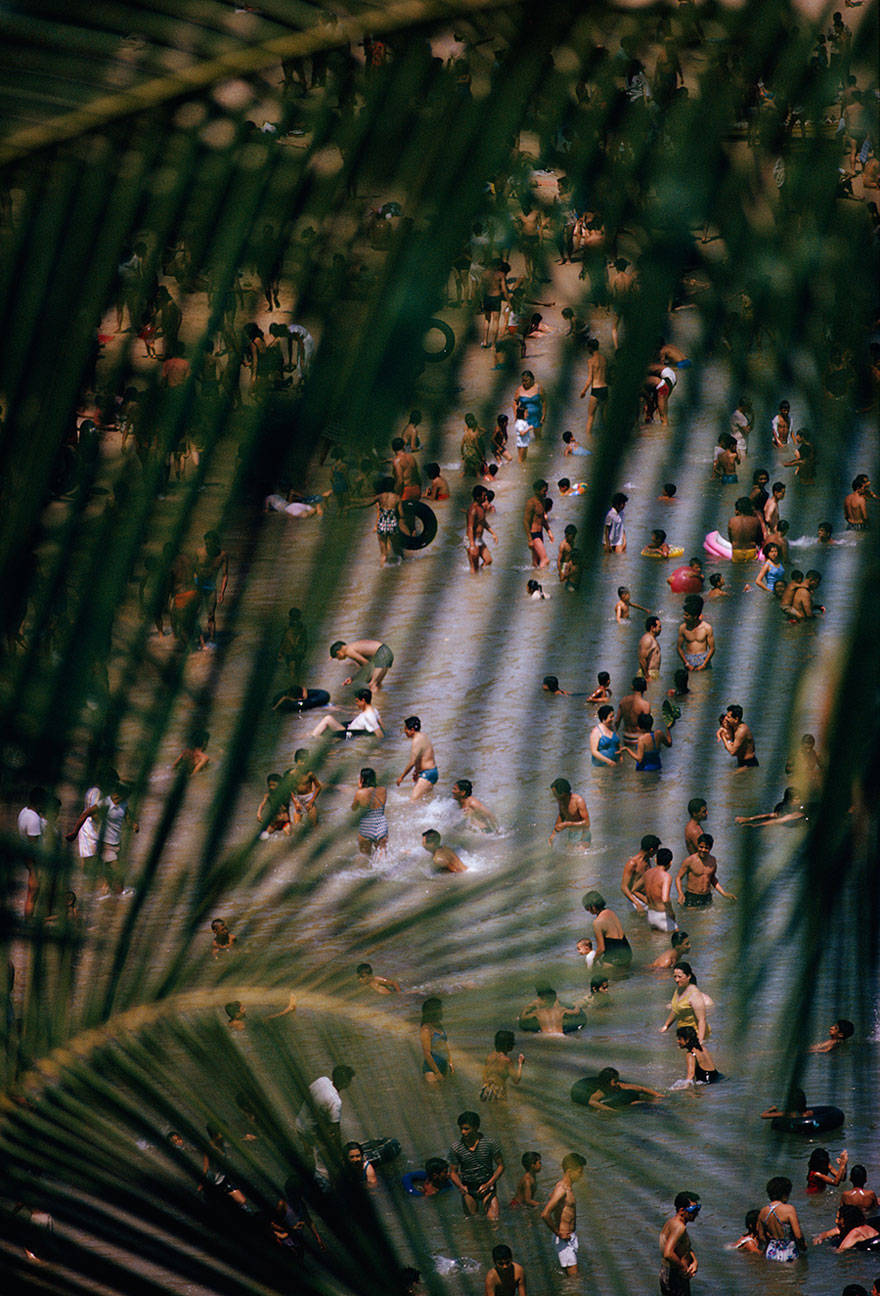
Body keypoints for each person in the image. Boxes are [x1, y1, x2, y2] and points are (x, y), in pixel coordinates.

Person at [295, 1065, 356, 1178]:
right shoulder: (335, 1102)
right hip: (310, 1132)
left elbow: (308, 1092)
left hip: (299, 1123)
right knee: (324, 1162)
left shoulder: (322, 1080)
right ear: (345, 1083)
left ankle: (305, 1169)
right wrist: (339, 1152)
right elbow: (335, 1131)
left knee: (309, 1155)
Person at [447, 1111, 504, 1221]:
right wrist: (460, 1186)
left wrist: (489, 1184)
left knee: (495, 1221)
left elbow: (501, 1166)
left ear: (476, 1127)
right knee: (473, 1223)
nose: (463, 1132)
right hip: (468, 1189)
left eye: (466, 1129)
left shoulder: (490, 1143)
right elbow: (453, 1173)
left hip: (487, 1186)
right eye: (461, 1129)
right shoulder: (456, 1148)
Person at [541, 1155, 586, 1276]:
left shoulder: (566, 1188)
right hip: (563, 1239)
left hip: (570, 1237)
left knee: (570, 1278)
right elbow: (545, 1214)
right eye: (580, 1172)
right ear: (569, 1172)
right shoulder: (562, 1189)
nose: (582, 1175)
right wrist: (558, 1233)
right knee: (574, 1279)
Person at [676, 835, 736, 908]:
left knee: (707, 918)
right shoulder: (690, 861)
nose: (703, 850)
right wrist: (680, 893)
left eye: (706, 848)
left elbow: (712, 879)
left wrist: (723, 893)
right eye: (701, 847)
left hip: (707, 897)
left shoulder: (713, 861)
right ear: (697, 846)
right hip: (692, 896)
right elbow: (678, 878)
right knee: (692, 918)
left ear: (710, 848)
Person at [659, 1192, 700, 1294]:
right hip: (674, 1276)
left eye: (698, 1208)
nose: (696, 1213)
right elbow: (668, 1253)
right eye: (693, 1210)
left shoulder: (673, 1222)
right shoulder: (679, 1227)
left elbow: (684, 1247)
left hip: (671, 1274)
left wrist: (694, 1261)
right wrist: (684, 1269)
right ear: (682, 1210)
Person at [660, 962, 711, 1042]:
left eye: (680, 977)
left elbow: (702, 1020)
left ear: (688, 976)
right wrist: (666, 1026)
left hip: (695, 1034)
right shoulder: (679, 989)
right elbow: (676, 1010)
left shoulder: (694, 995)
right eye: (675, 976)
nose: (676, 980)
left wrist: (700, 1041)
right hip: (683, 1034)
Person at [193, 530, 229, 644]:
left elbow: (225, 575)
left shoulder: (222, 555)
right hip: (198, 584)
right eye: (206, 543)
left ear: (216, 542)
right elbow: (193, 569)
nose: (208, 546)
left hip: (211, 586)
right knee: (195, 613)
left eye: (211, 543)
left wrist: (222, 593)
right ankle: (197, 638)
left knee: (211, 615)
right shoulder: (199, 552)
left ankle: (212, 641)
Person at [758, 1176, 805, 1261]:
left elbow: (762, 1238)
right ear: (785, 1194)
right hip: (789, 1252)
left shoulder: (763, 1211)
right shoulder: (789, 1209)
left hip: (771, 1253)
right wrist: (803, 1247)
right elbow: (798, 1236)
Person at [582, 891, 633, 968]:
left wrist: (593, 962)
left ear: (592, 906)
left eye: (587, 908)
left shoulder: (597, 923)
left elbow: (601, 949)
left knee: (601, 975)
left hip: (614, 957)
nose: (588, 911)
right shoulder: (611, 912)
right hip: (627, 952)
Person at [310, 687, 383, 738]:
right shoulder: (373, 710)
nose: (356, 703)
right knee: (321, 728)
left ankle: (313, 738)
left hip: (346, 731)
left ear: (363, 701)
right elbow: (382, 724)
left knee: (328, 719)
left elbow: (380, 734)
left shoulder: (369, 716)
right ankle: (311, 735)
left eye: (357, 701)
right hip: (348, 727)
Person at [397, 717, 438, 801]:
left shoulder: (416, 740)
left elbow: (412, 762)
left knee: (412, 802)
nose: (404, 731)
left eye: (405, 729)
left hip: (427, 774)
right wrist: (417, 771)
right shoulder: (423, 736)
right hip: (432, 772)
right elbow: (422, 757)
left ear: (412, 730)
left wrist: (401, 777)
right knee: (426, 801)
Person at [587, 1067, 663, 1111]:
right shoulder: (601, 1092)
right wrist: (612, 1111)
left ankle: (651, 1101)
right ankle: (649, 1102)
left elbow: (641, 1088)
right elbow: (592, 1102)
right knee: (634, 1103)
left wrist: (659, 1095)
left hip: (625, 1098)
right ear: (606, 1082)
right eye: (615, 1082)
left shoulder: (619, 1086)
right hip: (622, 1104)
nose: (617, 1084)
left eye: (618, 1081)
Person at [329, 639, 394, 690]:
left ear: (339, 652)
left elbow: (367, 665)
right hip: (386, 651)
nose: (339, 659)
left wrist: (353, 678)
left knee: (373, 685)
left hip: (381, 653)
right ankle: (384, 701)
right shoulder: (351, 646)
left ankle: (375, 705)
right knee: (377, 684)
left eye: (337, 658)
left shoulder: (349, 651)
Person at [620, 833, 661, 912]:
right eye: (656, 850)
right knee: (637, 923)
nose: (656, 853)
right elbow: (623, 887)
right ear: (651, 850)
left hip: (644, 897)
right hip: (635, 899)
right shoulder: (632, 863)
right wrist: (636, 903)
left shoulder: (647, 860)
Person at [351, 767, 388, 856]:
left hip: (366, 826)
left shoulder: (360, 793)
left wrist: (359, 788)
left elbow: (354, 808)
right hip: (381, 825)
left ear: (362, 779)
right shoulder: (383, 790)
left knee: (365, 858)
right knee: (382, 859)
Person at [480, 1030, 524, 1101]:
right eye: (512, 1042)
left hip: (485, 1090)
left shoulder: (489, 1056)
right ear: (507, 1044)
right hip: (498, 1091)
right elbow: (516, 1080)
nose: (514, 1044)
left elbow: (484, 1076)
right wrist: (520, 1064)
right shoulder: (507, 1060)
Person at [813, 1204, 879, 1251]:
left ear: (847, 1220)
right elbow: (826, 1234)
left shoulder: (856, 1232)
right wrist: (819, 1238)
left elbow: (840, 1250)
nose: (836, 1221)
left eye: (839, 1218)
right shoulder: (847, 1227)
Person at [579, 338, 610, 438]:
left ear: (590, 348)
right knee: (605, 416)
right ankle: (608, 436)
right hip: (605, 388)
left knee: (591, 416)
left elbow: (590, 379)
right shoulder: (604, 359)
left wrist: (583, 391)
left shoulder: (591, 361)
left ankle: (588, 437)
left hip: (596, 389)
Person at [676, 596, 715, 672]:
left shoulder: (707, 628)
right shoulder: (682, 628)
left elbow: (712, 648)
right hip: (689, 659)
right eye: (684, 615)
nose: (684, 617)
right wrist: (686, 663)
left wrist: (704, 664)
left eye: (687, 615)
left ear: (694, 616)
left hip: (703, 658)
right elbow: (679, 648)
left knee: (705, 682)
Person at [549, 778, 590, 846]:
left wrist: (567, 824)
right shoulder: (561, 801)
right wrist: (553, 834)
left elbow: (587, 823)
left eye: (555, 794)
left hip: (583, 834)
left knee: (580, 855)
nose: (554, 796)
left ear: (563, 793)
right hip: (571, 834)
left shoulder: (578, 801)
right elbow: (561, 815)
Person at [420, 997, 453, 1083]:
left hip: (443, 1065)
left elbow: (444, 1044)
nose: (442, 1012)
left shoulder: (438, 1025)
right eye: (440, 1009)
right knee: (436, 1095)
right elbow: (427, 1054)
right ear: (433, 1011)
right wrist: (437, 1072)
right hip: (432, 1070)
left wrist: (450, 1062)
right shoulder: (426, 1030)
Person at [644, 848, 678, 932]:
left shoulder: (647, 873)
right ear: (670, 863)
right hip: (662, 915)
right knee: (678, 940)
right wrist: (671, 913)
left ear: (655, 860)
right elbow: (665, 899)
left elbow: (634, 889)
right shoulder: (666, 876)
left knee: (658, 942)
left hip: (651, 914)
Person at [288, 750, 323, 825]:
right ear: (296, 761)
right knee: (296, 825)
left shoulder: (309, 774)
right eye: (301, 761)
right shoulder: (292, 774)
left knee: (314, 824)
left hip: (309, 798)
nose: (303, 764)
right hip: (299, 800)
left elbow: (319, 787)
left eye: (305, 761)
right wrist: (295, 802)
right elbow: (289, 789)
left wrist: (311, 801)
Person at [718, 705, 758, 769]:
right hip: (741, 761)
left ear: (736, 719)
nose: (726, 718)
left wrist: (723, 737)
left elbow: (732, 752)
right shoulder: (735, 725)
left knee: (730, 776)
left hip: (749, 763)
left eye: (728, 717)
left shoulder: (741, 731)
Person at [467, 485, 496, 572]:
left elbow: (483, 522)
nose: (486, 497)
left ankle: (480, 580)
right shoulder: (473, 510)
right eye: (484, 496)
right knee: (474, 568)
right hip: (472, 540)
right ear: (478, 497)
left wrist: (493, 533)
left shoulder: (481, 508)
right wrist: (472, 546)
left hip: (479, 539)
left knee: (488, 560)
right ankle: (473, 582)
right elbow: (470, 528)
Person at [524, 480, 551, 568]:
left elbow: (542, 519)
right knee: (545, 559)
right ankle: (543, 579)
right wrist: (529, 539)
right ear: (536, 490)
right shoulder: (531, 503)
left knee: (536, 563)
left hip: (540, 533)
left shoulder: (542, 502)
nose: (545, 493)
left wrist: (549, 531)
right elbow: (526, 522)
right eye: (543, 491)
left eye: (546, 490)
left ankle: (534, 577)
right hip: (534, 534)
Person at [727, 497, 763, 561]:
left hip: (737, 553)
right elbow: (760, 538)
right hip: (751, 552)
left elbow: (731, 539)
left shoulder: (732, 521)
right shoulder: (755, 521)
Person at [257, 772, 291, 839]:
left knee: (288, 836)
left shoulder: (284, 794)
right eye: (270, 785)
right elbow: (262, 804)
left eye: (273, 785)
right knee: (263, 837)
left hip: (285, 821)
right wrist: (258, 814)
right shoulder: (268, 794)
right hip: (274, 823)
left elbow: (286, 804)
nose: (271, 787)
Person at [617, 676, 650, 740]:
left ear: (632, 687)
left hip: (626, 737)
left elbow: (617, 722)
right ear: (646, 688)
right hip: (639, 738)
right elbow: (647, 726)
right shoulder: (645, 705)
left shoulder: (623, 700)